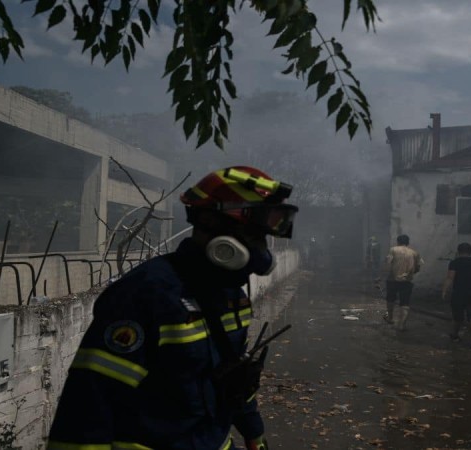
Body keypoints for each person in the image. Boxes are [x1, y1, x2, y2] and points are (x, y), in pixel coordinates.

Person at [47, 166, 298, 450]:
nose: (260, 251)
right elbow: (88, 406)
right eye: (252, 236)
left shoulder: (232, 296)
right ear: (212, 226)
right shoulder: (146, 293)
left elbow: (233, 378)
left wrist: (254, 433)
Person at [441, 242, 471, 351]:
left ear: (458, 251)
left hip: (459, 293)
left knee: (457, 317)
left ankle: (454, 335)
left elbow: (450, 278)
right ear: (470, 251)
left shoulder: (455, 263)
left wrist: (444, 290)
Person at [382, 234, 423, 331]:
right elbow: (418, 267)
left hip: (392, 279)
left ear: (398, 241)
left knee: (390, 299)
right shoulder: (414, 253)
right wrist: (409, 274)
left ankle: (390, 318)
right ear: (408, 242)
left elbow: (388, 264)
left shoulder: (393, 250)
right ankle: (402, 324)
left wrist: (381, 276)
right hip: (407, 281)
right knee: (405, 303)